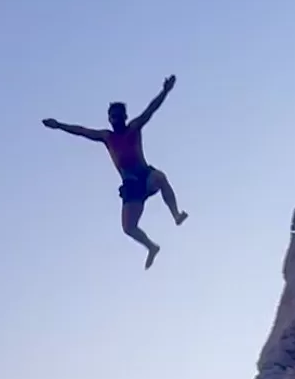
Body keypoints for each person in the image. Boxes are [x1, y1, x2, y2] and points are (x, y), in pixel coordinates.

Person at [43, 75, 188, 269]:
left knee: (160, 177)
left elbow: (150, 110)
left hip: (146, 177)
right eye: (112, 117)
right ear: (109, 119)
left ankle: (176, 215)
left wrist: (165, 91)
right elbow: (81, 131)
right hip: (131, 187)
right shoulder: (107, 137)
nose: (115, 120)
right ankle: (152, 247)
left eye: (118, 116)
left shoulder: (134, 128)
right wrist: (59, 125)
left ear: (124, 117)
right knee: (128, 228)